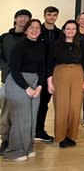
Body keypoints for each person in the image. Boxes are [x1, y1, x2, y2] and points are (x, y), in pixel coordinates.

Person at [2, 19, 45, 161]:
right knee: (21, 119)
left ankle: (28, 147)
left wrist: (39, 86)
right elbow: (14, 70)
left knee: (32, 118)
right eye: (31, 28)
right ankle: (14, 152)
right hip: (17, 82)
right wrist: (27, 88)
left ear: (40, 30)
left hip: (35, 82)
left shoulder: (41, 46)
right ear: (26, 30)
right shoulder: (19, 46)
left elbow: (42, 69)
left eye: (37, 28)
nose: (34, 30)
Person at [47, 20, 84, 148]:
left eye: (73, 29)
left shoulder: (82, 45)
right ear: (64, 30)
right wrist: (49, 82)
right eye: (68, 28)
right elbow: (49, 63)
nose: (71, 31)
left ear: (76, 31)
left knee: (75, 107)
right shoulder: (56, 45)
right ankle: (61, 137)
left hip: (78, 74)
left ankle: (71, 136)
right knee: (61, 107)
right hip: (60, 74)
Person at [0, 9, 32, 155]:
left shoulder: (31, 38)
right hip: (9, 79)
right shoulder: (4, 38)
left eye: (27, 17)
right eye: (21, 16)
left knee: (23, 114)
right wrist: (7, 70)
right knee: (6, 113)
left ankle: (21, 142)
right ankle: (5, 140)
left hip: (27, 82)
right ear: (15, 19)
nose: (24, 19)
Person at [36, 6, 61, 142]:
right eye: (49, 14)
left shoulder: (60, 33)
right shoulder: (37, 30)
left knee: (44, 103)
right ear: (44, 15)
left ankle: (39, 130)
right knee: (31, 103)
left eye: (54, 15)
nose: (52, 17)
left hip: (52, 74)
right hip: (35, 71)